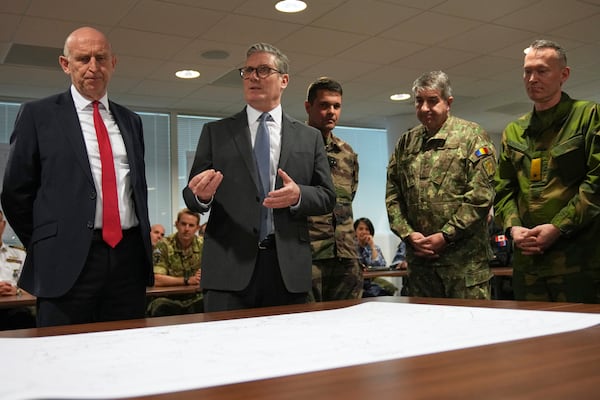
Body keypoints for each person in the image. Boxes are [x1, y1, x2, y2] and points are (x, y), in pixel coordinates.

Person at [1, 27, 154, 327]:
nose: (93, 67)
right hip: (65, 262)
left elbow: (134, 190)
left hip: (128, 257)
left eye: (101, 58)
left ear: (114, 63)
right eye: (83, 59)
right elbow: (15, 193)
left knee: (126, 350)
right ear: (65, 64)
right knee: (63, 354)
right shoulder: (38, 115)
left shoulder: (130, 120)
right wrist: (51, 241)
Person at [183, 43, 335, 312]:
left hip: (287, 269)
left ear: (284, 80)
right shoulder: (216, 133)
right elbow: (192, 194)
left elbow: (327, 196)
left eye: (263, 70)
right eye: (248, 71)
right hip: (228, 270)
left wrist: (299, 194)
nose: (253, 76)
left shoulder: (308, 137)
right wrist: (201, 196)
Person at [494, 39, 600, 303]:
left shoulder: (588, 116)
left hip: (578, 262)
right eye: (527, 71)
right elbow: (503, 189)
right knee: (531, 337)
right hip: (528, 265)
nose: (532, 78)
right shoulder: (514, 131)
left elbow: (596, 183)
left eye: (542, 71)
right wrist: (513, 228)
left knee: (581, 341)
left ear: (563, 75)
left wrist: (558, 226)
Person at [386, 70, 497, 300]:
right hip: (421, 267)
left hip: (464, 267)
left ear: (448, 102)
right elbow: (393, 196)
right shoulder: (406, 143)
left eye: (432, 100)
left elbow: (480, 196)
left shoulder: (472, 136)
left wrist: (446, 236)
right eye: (419, 101)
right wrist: (408, 234)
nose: (425, 108)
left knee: (471, 331)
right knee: (427, 332)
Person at [305, 77, 362, 302]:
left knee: (348, 325)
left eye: (336, 106)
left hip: (346, 256)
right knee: (306, 325)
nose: (331, 112)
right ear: (308, 107)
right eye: (324, 105)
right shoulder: (293, 149)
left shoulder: (347, 153)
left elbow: (349, 198)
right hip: (310, 257)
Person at [147, 209, 203, 317]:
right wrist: (187, 280)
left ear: (197, 228)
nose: (186, 229)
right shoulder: (163, 245)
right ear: (177, 224)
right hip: (168, 298)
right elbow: (156, 279)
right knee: (158, 306)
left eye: (191, 225)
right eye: (183, 224)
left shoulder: (204, 245)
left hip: (195, 298)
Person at [0, 210, 35, 330]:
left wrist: (17, 291)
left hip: (17, 312)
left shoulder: (20, 254)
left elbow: (34, 288)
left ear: (3, 225)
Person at [354, 217, 397, 297]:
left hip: (371, 279)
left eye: (367, 229)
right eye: (361, 229)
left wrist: (372, 246)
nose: (364, 232)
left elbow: (380, 265)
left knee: (390, 288)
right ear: (355, 232)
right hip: (356, 281)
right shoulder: (351, 247)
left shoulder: (375, 247)